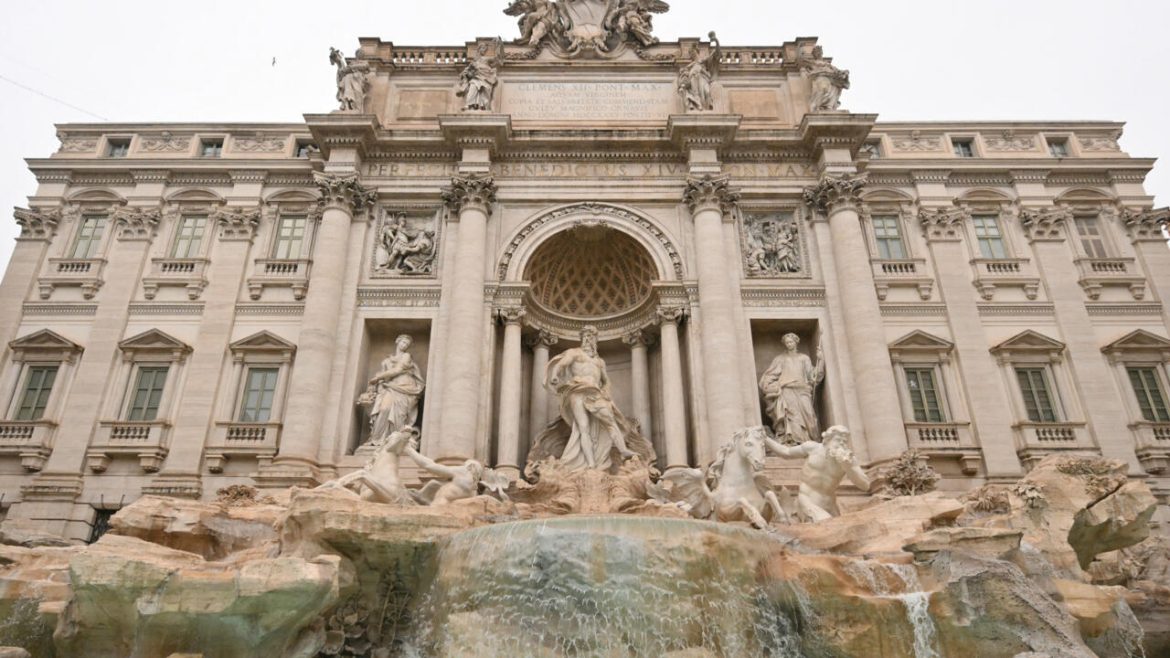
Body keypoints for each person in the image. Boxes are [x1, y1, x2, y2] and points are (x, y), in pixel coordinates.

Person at [544, 326, 636, 471]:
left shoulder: (600, 362)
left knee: (611, 421)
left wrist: (606, 391)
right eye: (586, 336)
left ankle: (623, 450)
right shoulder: (574, 353)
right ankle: (591, 463)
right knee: (583, 427)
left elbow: (605, 381)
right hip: (577, 391)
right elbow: (561, 364)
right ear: (581, 339)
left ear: (595, 341)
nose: (588, 339)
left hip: (595, 393)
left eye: (591, 337)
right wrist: (555, 374)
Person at [765, 425, 870, 522]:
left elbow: (865, 485)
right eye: (838, 440)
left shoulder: (849, 460)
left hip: (830, 506)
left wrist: (848, 467)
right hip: (807, 500)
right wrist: (765, 438)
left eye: (844, 441)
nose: (841, 444)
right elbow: (785, 452)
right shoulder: (812, 448)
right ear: (828, 440)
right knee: (829, 526)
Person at [759, 333, 824, 445]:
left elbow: (813, 377)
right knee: (792, 416)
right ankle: (794, 441)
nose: (789, 344)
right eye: (787, 342)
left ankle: (809, 440)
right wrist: (770, 386)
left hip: (803, 390)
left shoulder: (804, 358)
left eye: (791, 342)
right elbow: (770, 375)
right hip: (787, 390)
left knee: (809, 416)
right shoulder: (780, 359)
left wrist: (821, 360)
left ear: (796, 342)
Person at [366, 335, 425, 445]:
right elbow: (383, 380)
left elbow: (398, 370)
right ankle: (377, 439)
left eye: (407, 344)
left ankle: (396, 442)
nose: (404, 345)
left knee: (399, 415)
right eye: (403, 342)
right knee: (384, 409)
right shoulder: (386, 361)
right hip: (391, 387)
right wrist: (378, 385)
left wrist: (378, 377)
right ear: (397, 342)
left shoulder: (407, 356)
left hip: (406, 387)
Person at [403, 443, 486, 506]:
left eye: (464, 465)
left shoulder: (465, 471)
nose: (462, 467)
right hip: (444, 508)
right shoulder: (472, 491)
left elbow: (430, 466)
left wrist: (409, 450)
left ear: (470, 466)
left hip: (439, 508)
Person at [458, 42, 500, 111]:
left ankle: (483, 105)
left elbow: (495, 59)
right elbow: (466, 71)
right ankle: (469, 105)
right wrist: (467, 73)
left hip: (486, 78)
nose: (484, 50)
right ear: (479, 49)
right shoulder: (474, 62)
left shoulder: (486, 59)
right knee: (473, 88)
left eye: (485, 49)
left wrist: (499, 49)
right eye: (483, 48)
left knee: (485, 91)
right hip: (476, 77)